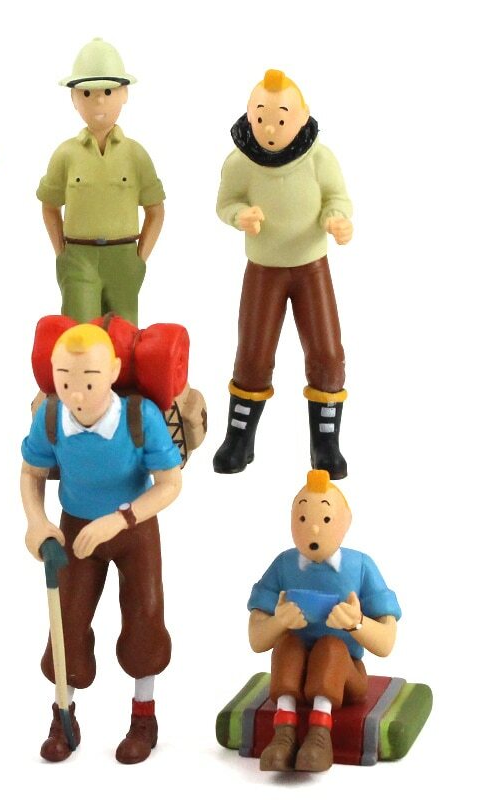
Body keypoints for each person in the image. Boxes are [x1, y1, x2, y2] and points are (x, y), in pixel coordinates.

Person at [21, 324, 182, 763]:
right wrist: (37, 521)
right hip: (75, 529)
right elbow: (31, 472)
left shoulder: (139, 418)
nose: (76, 394)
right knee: (66, 621)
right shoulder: (50, 417)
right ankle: (63, 715)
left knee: (145, 617)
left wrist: (120, 519)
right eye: (65, 381)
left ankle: (144, 716)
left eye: (89, 382)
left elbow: (170, 484)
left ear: (112, 371)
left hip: (134, 529)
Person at [213, 69, 353, 478]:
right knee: (253, 354)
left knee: (327, 353)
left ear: (302, 116)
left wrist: (336, 218)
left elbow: (338, 197)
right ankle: (239, 438)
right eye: (260, 118)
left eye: (279, 119)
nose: (270, 129)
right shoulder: (240, 162)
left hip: (311, 268)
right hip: (263, 270)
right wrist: (239, 215)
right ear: (248, 115)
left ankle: (325, 443)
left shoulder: (319, 159)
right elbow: (225, 202)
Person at [247, 470, 401, 772]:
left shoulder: (361, 567)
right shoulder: (283, 565)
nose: (314, 528)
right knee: (288, 643)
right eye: (303, 518)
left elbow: (386, 643)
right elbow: (256, 639)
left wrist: (357, 623)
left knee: (330, 646)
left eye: (326, 519)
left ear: (345, 522)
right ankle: (284, 731)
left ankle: (319, 733)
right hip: (295, 673)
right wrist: (279, 622)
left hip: (346, 678)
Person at [37, 38, 165, 325]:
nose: (99, 100)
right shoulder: (65, 154)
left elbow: (156, 210)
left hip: (124, 258)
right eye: (87, 93)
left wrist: (139, 259)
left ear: (124, 93)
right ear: (74, 98)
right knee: (80, 334)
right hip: (78, 258)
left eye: (108, 91)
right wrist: (62, 254)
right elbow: (49, 206)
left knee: (124, 335)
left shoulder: (136, 155)